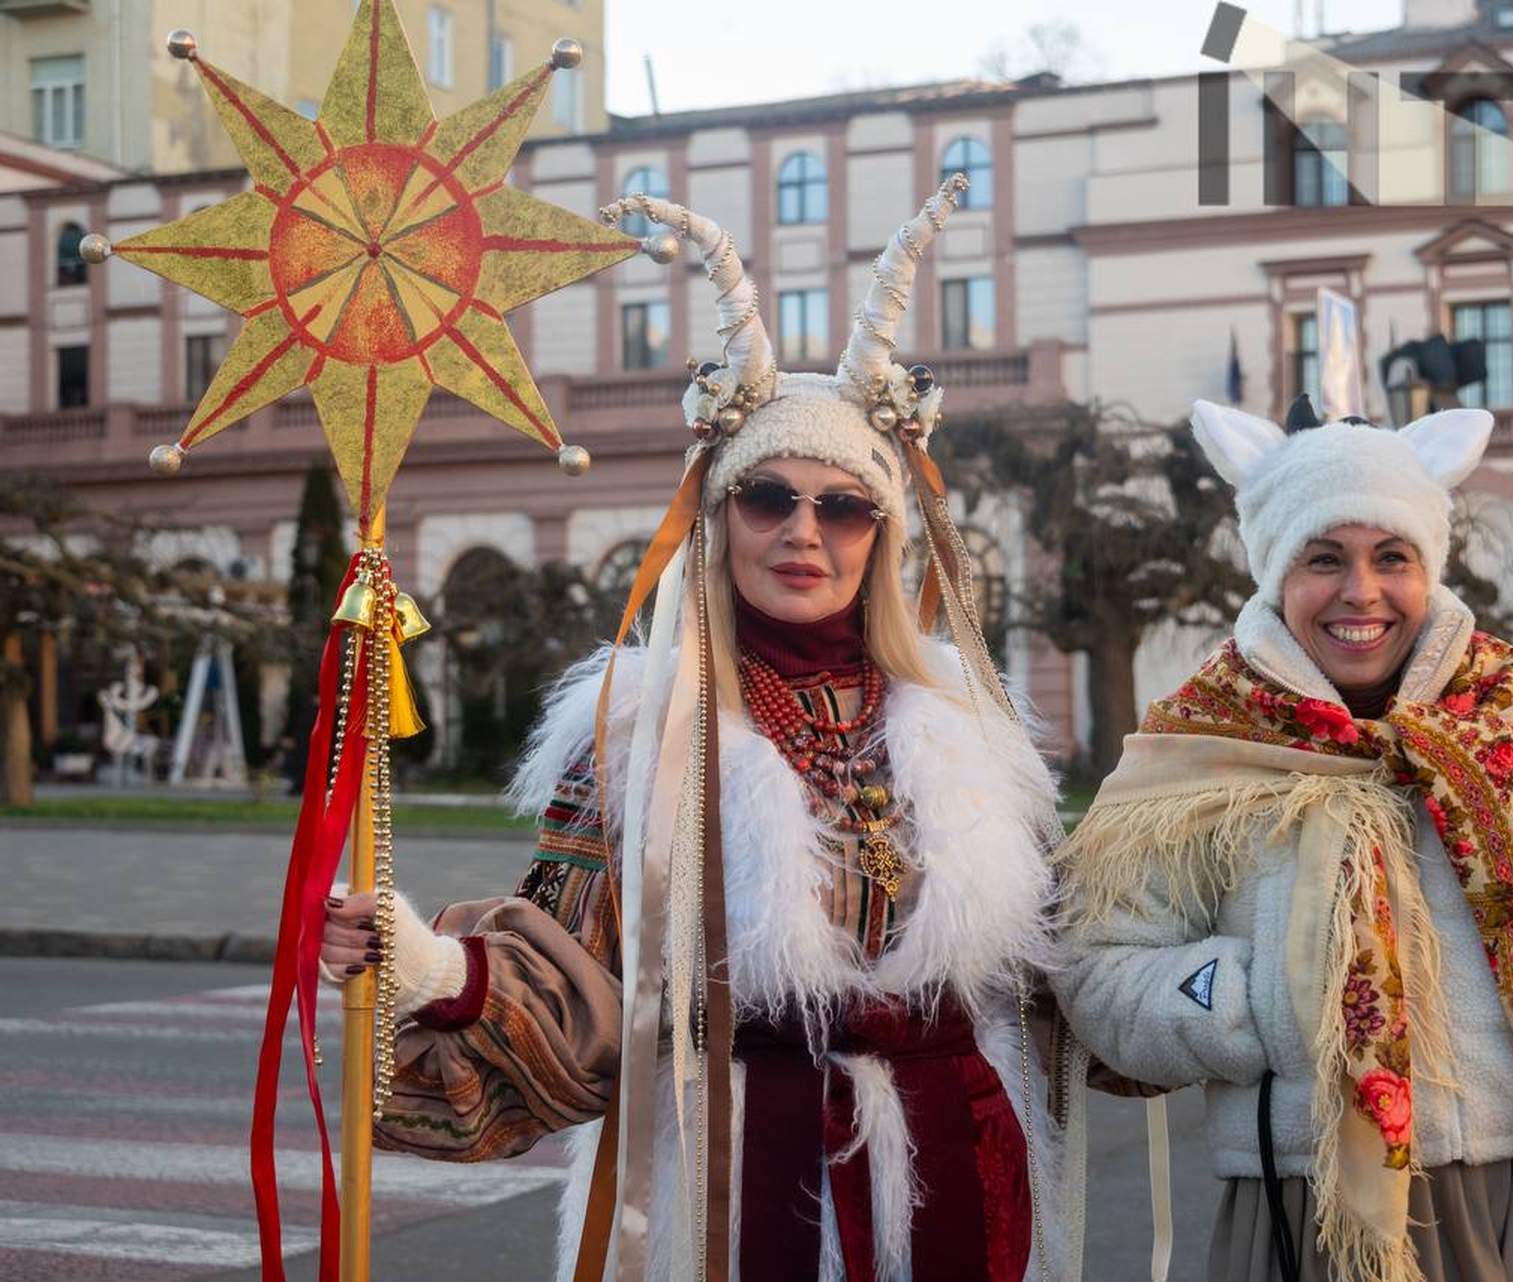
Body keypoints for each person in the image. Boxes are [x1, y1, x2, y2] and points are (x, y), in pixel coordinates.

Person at [320, 177, 1075, 1281]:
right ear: (719, 516)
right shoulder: (643, 731)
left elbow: (1064, 964)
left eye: (843, 505)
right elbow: (574, 974)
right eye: (767, 496)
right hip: (734, 1180)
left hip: (961, 1170)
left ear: (882, 533)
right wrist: (429, 963)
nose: (802, 531)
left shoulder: (970, 726)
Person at [1053, 395, 1513, 1282]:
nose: (1360, 592)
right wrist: (1269, 998)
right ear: (1274, 572)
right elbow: (1099, 970)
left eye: (1391, 557)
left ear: (1428, 565)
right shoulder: (1199, 746)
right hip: (1315, 1208)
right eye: (1323, 559)